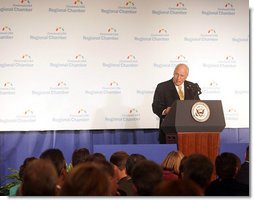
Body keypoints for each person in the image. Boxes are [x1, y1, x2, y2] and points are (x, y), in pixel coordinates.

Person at [152, 63, 201, 143]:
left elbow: (197, 104)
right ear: (173, 73)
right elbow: (155, 106)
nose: (178, 78)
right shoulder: (162, 87)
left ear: (186, 76)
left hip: (189, 130)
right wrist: (165, 111)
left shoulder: (192, 87)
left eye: (182, 76)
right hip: (169, 130)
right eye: (176, 74)